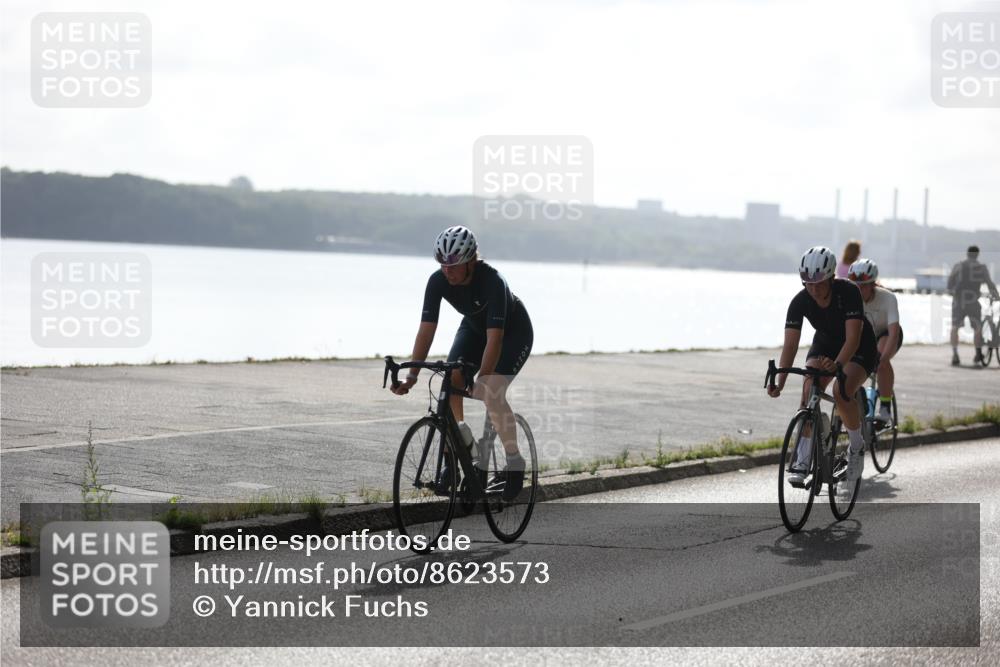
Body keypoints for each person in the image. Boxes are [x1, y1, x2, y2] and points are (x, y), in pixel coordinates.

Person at [391, 226, 533, 499]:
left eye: (454, 265)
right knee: (451, 377)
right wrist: (412, 376)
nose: (448, 271)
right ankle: (461, 451)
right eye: (443, 265)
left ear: (471, 260)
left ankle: (515, 463)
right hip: (473, 328)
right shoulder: (438, 281)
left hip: (512, 333)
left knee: (492, 391)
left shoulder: (493, 282)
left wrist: (483, 377)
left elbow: (495, 340)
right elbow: (426, 330)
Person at [767, 246, 879, 483]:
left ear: (831, 278)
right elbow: (790, 346)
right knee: (808, 391)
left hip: (860, 346)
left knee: (841, 390)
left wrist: (836, 365)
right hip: (826, 342)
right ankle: (803, 459)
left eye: (819, 283)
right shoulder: (800, 301)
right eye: (808, 283)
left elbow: (853, 339)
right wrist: (781, 381)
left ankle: (857, 447)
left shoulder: (848, 292)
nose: (814, 289)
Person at [848, 258, 902, 423]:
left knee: (881, 360)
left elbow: (893, 333)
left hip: (886, 334)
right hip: (864, 338)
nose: (859, 289)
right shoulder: (850, 298)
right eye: (855, 285)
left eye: (863, 286)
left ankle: (885, 408)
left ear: (873, 284)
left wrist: (883, 359)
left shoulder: (888, 298)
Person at [948, 245, 999, 366]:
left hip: (958, 301)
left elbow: (949, 284)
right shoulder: (981, 268)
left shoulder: (958, 266)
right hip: (973, 302)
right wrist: (996, 296)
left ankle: (955, 354)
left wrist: (953, 293)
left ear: (967, 254)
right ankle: (977, 353)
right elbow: (989, 283)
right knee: (977, 327)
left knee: (955, 327)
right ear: (977, 255)